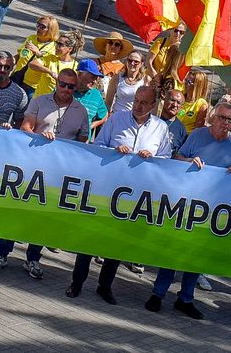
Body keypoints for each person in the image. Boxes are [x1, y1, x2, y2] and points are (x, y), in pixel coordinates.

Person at [69, 85, 173, 304]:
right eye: (137, 100)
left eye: (144, 102)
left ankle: (104, 286)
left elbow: (166, 159)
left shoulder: (161, 128)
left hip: (134, 195)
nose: (138, 105)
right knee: (90, 239)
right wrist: (114, 151)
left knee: (116, 242)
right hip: (107, 188)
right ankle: (76, 282)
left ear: (154, 106)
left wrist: (152, 156)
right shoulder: (117, 120)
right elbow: (98, 146)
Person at [0, 68, 90, 279]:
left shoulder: (81, 111)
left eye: (71, 86)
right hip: (32, 166)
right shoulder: (40, 101)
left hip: (57, 174)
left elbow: (83, 143)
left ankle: (33, 258)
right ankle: (1, 253)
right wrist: (39, 135)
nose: (65, 89)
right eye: (62, 84)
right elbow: (25, 126)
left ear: (75, 88)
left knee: (43, 217)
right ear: (57, 82)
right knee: (16, 210)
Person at [148, 103, 231, 318]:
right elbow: (177, 158)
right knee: (173, 251)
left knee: (196, 256)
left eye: (229, 120)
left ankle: (185, 298)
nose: (225, 123)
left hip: (212, 208)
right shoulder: (197, 135)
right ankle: (158, 293)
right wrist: (189, 161)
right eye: (221, 118)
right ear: (213, 117)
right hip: (188, 203)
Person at [17, 16, 61, 98]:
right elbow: (20, 55)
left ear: (51, 30)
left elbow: (49, 66)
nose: (39, 28)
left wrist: (38, 53)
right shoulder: (31, 38)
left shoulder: (54, 47)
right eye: (38, 25)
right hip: (18, 78)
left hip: (32, 86)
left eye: (43, 27)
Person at [105, 49, 153, 116]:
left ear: (141, 64)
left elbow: (149, 103)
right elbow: (108, 102)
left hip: (135, 118)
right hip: (117, 117)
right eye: (129, 61)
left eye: (136, 62)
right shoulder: (117, 78)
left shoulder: (146, 80)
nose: (132, 63)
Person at [0, 52, 29, 128]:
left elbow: (20, 121)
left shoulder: (19, 94)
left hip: (2, 133)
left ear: (12, 68)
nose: (2, 70)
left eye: (7, 67)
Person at [73, 60, 109, 135]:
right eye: (92, 77)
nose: (95, 81)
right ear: (79, 74)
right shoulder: (65, 89)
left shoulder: (96, 95)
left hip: (82, 143)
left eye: (96, 78)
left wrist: (89, 127)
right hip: (61, 141)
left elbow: (104, 115)